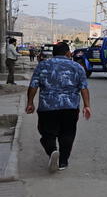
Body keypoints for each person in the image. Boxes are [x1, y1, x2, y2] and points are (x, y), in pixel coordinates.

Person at [25, 42, 91, 172]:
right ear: (68, 53)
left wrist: (30, 103)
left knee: (47, 133)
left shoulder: (43, 65)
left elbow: (33, 85)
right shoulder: (77, 67)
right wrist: (87, 106)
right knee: (68, 133)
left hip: (48, 107)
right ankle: (63, 162)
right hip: (70, 107)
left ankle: (52, 151)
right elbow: (84, 88)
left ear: (54, 53)